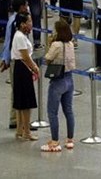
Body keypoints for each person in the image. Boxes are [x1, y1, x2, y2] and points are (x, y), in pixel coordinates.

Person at [41, 20, 76, 152]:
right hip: (69, 79)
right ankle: (70, 139)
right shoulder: (70, 44)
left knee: (52, 112)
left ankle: (55, 141)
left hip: (57, 81)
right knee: (68, 110)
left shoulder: (56, 44)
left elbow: (48, 58)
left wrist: (49, 44)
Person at [0, 0, 29, 129]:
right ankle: (15, 119)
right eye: (25, 4)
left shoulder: (19, 20)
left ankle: (19, 120)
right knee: (17, 90)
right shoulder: (14, 22)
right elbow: (9, 41)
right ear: (21, 6)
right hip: (17, 60)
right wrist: (6, 59)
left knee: (19, 90)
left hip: (19, 58)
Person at [10, 12, 39, 141]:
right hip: (23, 68)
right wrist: (34, 67)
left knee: (20, 101)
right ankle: (26, 131)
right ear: (22, 24)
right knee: (25, 103)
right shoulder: (20, 37)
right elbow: (25, 56)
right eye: (29, 22)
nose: (31, 24)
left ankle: (19, 131)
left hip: (20, 68)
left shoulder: (19, 36)